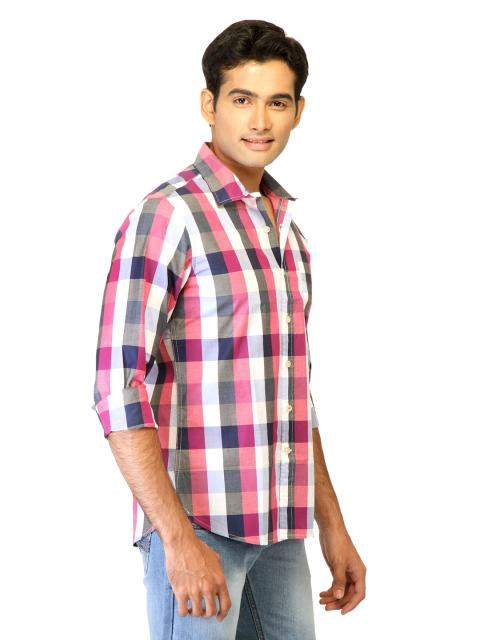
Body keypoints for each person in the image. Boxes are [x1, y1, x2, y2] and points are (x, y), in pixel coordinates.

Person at [92, 18, 366, 640]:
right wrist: (176, 538)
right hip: (198, 526)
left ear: (298, 112)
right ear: (209, 104)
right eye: (242, 99)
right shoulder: (167, 216)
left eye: (277, 102)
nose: (260, 121)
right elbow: (116, 387)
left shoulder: (287, 237)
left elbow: (294, 396)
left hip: (281, 529)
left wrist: (332, 523)